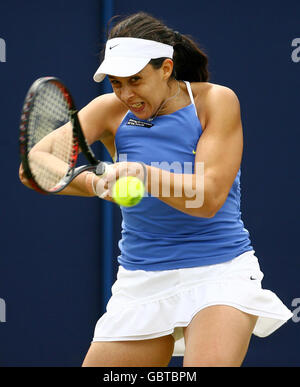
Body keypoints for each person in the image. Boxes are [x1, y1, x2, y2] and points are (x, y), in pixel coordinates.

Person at [19, 12, 293, 367]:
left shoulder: (216, 102)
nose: (126, 94)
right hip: (141, 278)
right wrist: (95, 183)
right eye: (117, 83)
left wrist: (142, 173)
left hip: (219, 271)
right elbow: (33, 166)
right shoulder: (109, 110)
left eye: (136, 79)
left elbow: (207, 198)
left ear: (166, 68)